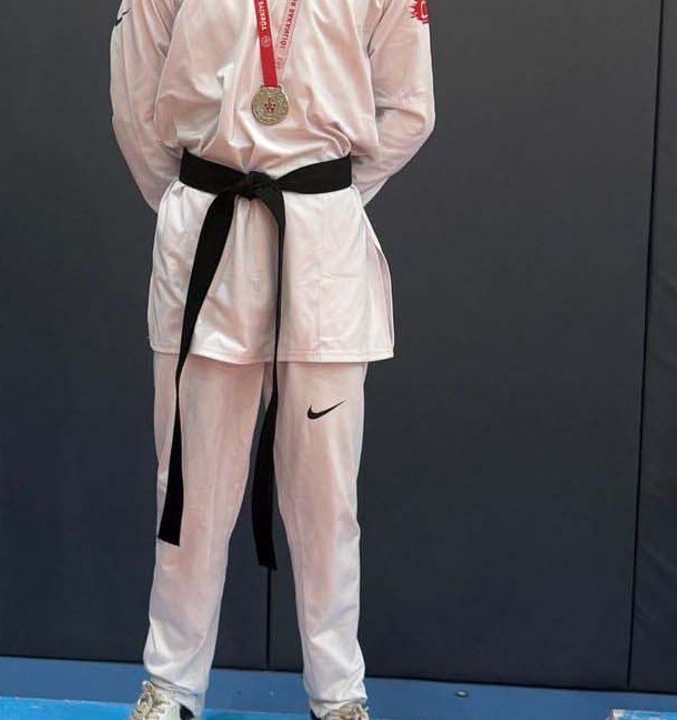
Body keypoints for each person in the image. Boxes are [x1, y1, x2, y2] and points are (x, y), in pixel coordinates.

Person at [109, 0, 435, 718]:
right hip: (207, 234)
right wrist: (189, 201)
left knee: (326, 501)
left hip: (321, 253)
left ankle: (338, 695)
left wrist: (325, 197)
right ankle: (171, 688)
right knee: (189, 489)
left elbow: (411, 110)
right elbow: (135, 107)